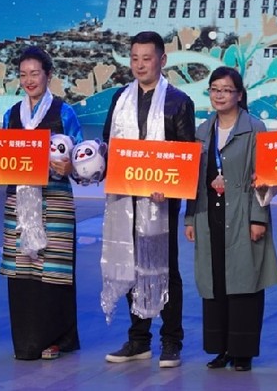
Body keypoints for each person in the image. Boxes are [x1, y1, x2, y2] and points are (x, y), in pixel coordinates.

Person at [99, 31, 195, 368]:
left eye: (147, 58)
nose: (140, 65)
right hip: (125, 197)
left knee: (166, 267)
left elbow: (186, 154)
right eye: (135, 58)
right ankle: (138, 340)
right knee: (130, 263)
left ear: (162, 60)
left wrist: (169, 185)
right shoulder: (120, 98)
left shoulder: (178, 101)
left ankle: (171, 341)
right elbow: (109, 143)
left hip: (161, 201)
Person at [184, 67, 277, 372]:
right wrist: (190, 218)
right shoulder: (202, 131)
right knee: (215, 281)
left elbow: (263, 177)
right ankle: (221, 348)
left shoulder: (254, 128)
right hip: (208, 213)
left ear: (239, 94)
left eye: (226, 90)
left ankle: (242, 352)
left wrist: (258, 218)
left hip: (242, 212)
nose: (220, 95)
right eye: (214, 89)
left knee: (244, 281)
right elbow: (193, 180)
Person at [0, 46, 84, 361]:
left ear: (48, 75)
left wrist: (70, 166)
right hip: (18, 201)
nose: (29, 80)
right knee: (21, 270)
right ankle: (26, 340)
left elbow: (82, 160)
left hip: (55, 200)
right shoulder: (11, 114)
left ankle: (55, 338)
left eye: (35, 73)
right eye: (23, 74)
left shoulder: (64, 112)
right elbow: (1, 155)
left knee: (53, 270)